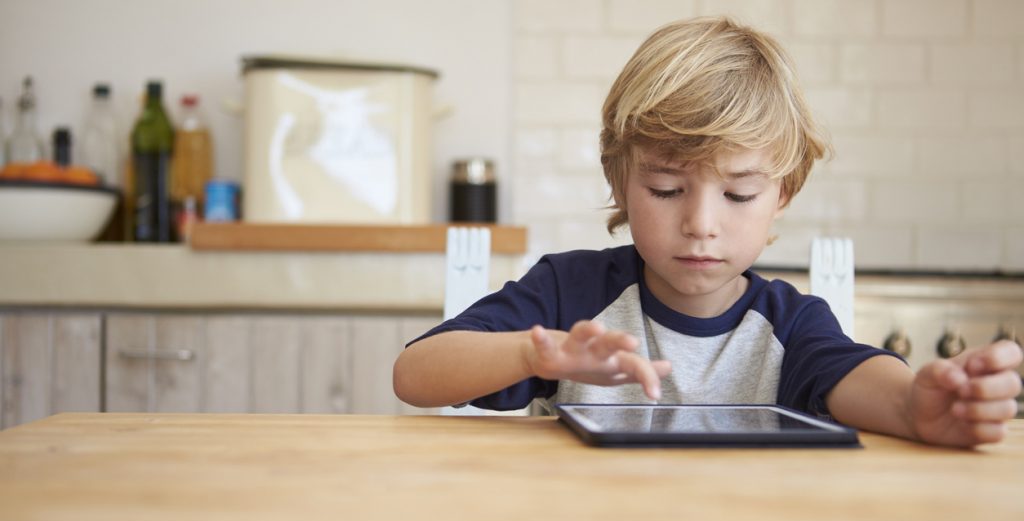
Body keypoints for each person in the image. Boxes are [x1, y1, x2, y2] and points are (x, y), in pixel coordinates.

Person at [393, 16, 1022, 447]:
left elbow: (868, 386)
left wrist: (920, 406)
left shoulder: (791, 325)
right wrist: (535, 353)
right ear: (619, 181)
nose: (699, 224)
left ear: (783, 195)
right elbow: (415, 375)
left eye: (739, 194)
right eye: (666, 189)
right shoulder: (572, 292)